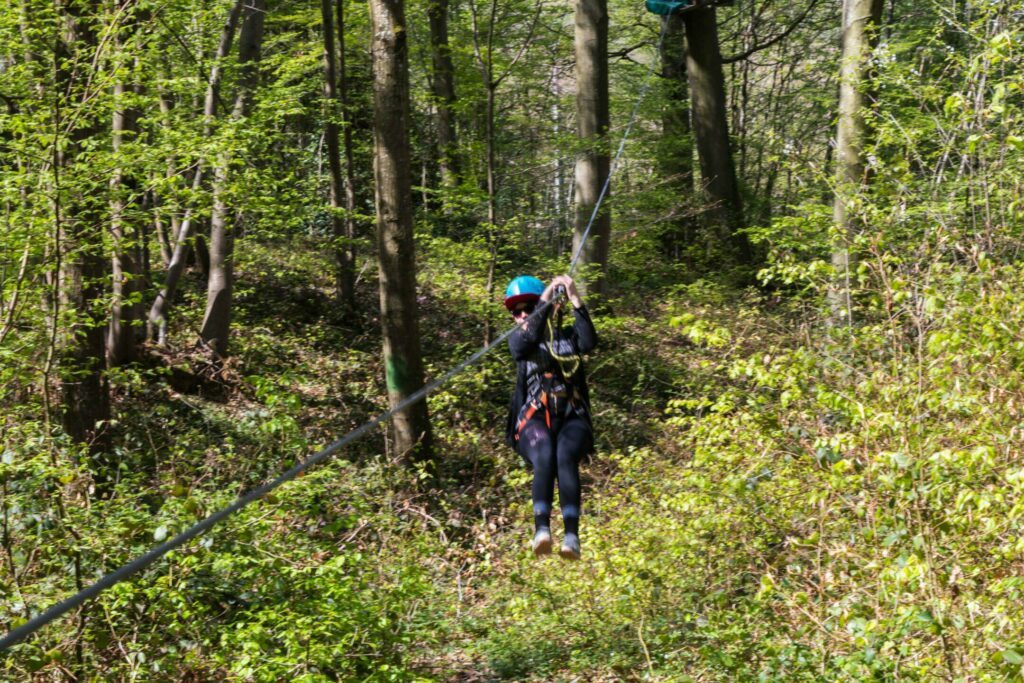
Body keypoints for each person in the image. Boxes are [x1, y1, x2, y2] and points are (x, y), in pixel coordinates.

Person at [504, 274, 597, 559]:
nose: (521, 315)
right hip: (533, 419)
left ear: (551, 308)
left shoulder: (569, 336)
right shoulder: (520, 340)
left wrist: (573, 296)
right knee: (545, 452)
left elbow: (589, 341)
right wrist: (544, 298)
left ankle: (571, 536)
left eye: (527, 308)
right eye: (516, 311)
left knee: (565, 455)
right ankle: (542, 530)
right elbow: (525, 341)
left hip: (572, 415)